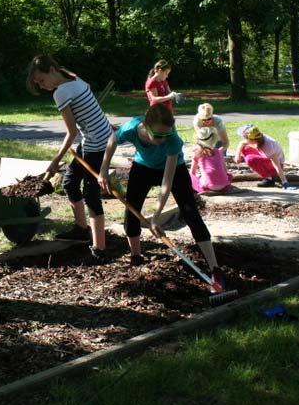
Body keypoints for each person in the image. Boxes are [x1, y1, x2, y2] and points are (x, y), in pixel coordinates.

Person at [97, 104, 226, 292]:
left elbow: (167, 183)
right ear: (145, 126)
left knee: (190, 212)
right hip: (143, 168)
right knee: (132, 210)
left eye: (166, 135)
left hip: (174, 169)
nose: (162, 140)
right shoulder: (133, 127)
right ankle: (136, 256)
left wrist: (156, 217)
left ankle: (215, 269)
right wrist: (103, 170)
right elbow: (113, 140)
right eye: (158, 135)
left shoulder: (173, 141)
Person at [27, 55, 113, 263]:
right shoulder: (74, 78)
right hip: (98, 136)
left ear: (51, 70)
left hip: (97, 143)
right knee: (70, 182)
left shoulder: (61, 93)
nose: (42, 86)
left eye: (41, 80)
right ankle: (81, 229)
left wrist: (56, 160)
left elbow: (71, 132)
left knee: (91, 195)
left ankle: (99, 250)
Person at [234, 124, 295, 190]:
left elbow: (277, 165)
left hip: (275, 166)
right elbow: (242, 143)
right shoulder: (259, 138)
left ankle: (269, 179)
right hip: (265, 157)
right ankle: (267, 175)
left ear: (253, 140)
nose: (245, 140)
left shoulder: (268, 147)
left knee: (250, 159)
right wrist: (237, 155)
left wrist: (284, 182)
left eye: (246, 139)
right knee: (244, 149)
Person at [190, 126, 233, 194]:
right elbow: (225, 171)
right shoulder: (219, 151)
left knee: (190, 176)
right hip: (223, 187)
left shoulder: (197, 153)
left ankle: (202, 189)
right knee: (229, 175)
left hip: (207, 187)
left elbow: (192, 173)